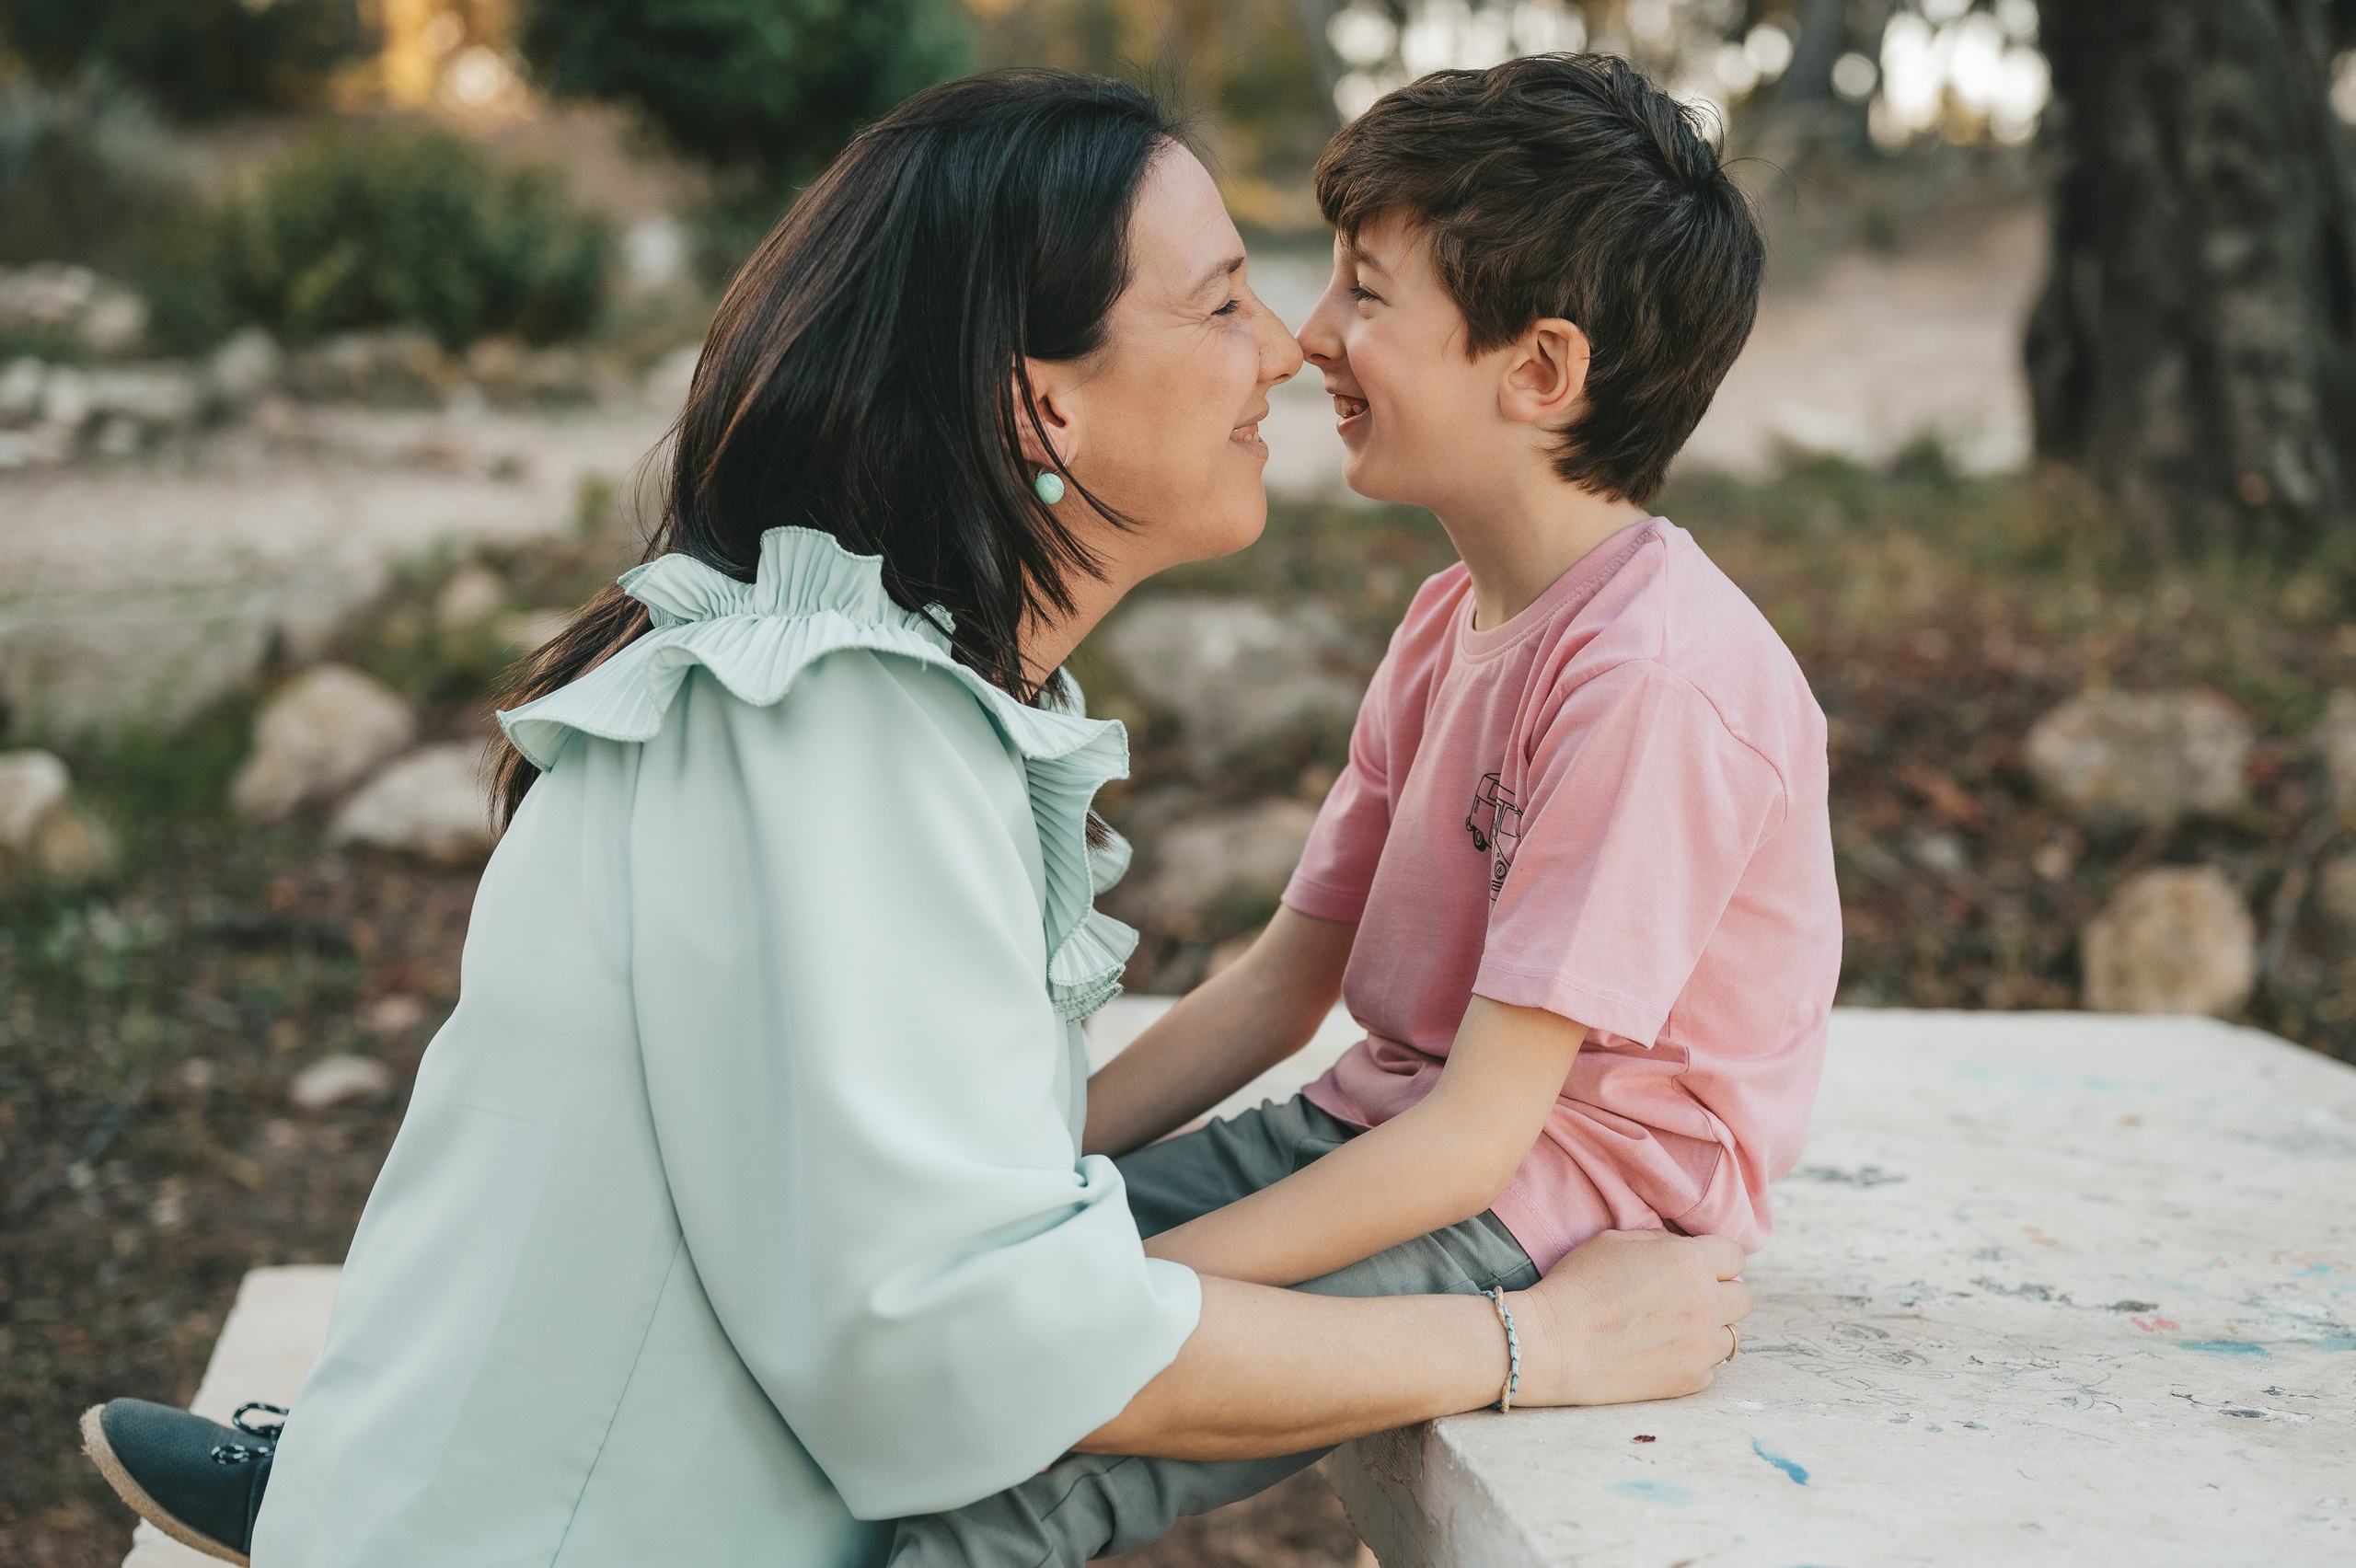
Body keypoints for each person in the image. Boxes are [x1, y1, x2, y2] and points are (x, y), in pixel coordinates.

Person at [78, 68, 1750, 1568]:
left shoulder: (840, 693)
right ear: (1045, 404)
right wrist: (1535, 1353)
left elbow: (954, 1211)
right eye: (1226, 297)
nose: (1288, 343)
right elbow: (981, 1337)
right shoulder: (835, 739)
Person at [884, 51, 1840, 1568]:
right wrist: (1037, 1172)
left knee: (1039, 1442)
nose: (1307, 337)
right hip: (1375, 1133)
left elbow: (1482, 1136)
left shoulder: (1657, 679)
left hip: (1551, 1205)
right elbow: (1279, 985)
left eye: (1369, 295)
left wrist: (1124, 1302)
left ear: (1539, 372)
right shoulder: (1451, 617)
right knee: (958, 1287)